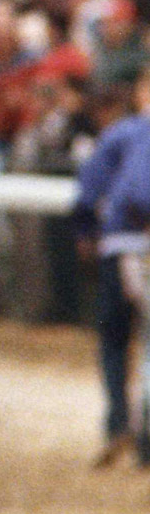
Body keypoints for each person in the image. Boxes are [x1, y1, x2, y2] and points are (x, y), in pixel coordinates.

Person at [73, 65, 150, 468]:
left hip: (121, 246)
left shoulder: (126, 132)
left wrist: (87, 230)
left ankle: (119, 424)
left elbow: (90, 189)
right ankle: (146, 438)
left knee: (116, 343)